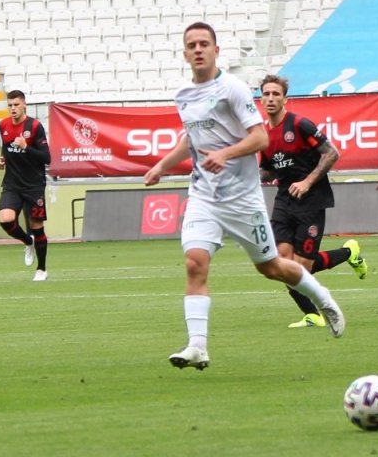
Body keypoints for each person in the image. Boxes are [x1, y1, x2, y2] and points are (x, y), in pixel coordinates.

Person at [146, 22, 345, 371]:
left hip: (242, 199)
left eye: (204, 43)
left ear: (216, 50)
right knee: (195, 262)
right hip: (203, 196)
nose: (198, 49)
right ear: (184, 52)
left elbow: (260, 139)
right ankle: (197, 346)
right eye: (191, 44)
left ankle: (324, 300)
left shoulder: (232, 89)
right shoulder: (182, 95)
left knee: (271, 267)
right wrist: (162, 165)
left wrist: (226, 153)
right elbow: (189, 139)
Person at [258, 74, 370, 330]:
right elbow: (269, 171)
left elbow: (332, 153)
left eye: (276, 94)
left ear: (285, 98)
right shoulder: (263, 135)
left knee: (303, 268)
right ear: (261, 98)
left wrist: (307, 182)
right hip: (284, 200)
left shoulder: (299, 125)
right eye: (267, 94)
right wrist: (246, 175)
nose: (271, 98)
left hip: (311, 200)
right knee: (281, 264)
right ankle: (313, 315)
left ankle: (349, 252)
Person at [0, 89, 52, 281]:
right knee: (5, 219)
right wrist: (2, 159)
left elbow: (47, 158)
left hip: (34, 185)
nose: (13, 108)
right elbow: (5, 146)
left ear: (24, 105)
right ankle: (27, 242)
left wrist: (26, 147)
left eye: (16, 105)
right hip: (12, 183)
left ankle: (42, 269)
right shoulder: (3, 124)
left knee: (37, 226)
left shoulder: (35, 127)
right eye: (10, 105)